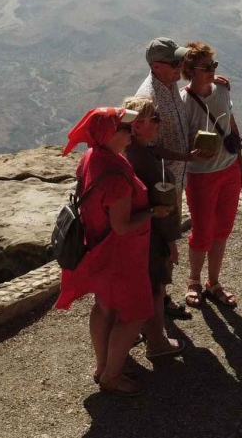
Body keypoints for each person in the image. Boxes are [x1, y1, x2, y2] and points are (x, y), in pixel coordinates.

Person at [55, 106, 173, 396]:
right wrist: (153, 212)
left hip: (100, 249)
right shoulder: (116, 177)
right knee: (134, 314)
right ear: (109, 134)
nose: (130, 131)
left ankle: (102, 365)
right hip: (123, 255)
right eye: (124, 127)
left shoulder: (92, 157)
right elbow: (122, 226)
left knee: (105, 307)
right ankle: (111, 375)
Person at [133, 37, 216, 317]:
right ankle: (158, 300)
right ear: (156, 66)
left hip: (174, 179)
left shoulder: (169, 84)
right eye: (176, 62)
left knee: (168, 237)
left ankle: (158, 296)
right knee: (161, 241)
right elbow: (148, 145)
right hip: (160, 183)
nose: (182, 65)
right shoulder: (149, 97)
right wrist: (187, 157)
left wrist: (216, 79)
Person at [180, 42, 242, 308]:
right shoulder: (183, 102)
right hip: (201, 175)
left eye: (213, 66)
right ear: (190, 70)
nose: (212, 71)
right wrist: (192, 152)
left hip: (228, 169)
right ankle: (193, 281)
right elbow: (178, 141)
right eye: (206, 67)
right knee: (202, 231)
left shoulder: (221, 90)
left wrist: (241, 167)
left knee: (223, 230)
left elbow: (231, 127)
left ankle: (214, 282)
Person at [120, 96, 185, 362]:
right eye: (154, 119)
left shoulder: (129, 152)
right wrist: (171, 244)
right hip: (149, 238)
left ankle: (131, 335)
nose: (160, 123)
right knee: (155, 288)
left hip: (130, 236)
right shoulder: (146, 162)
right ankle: (156, 342)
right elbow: (163, 211)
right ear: (137, 126)